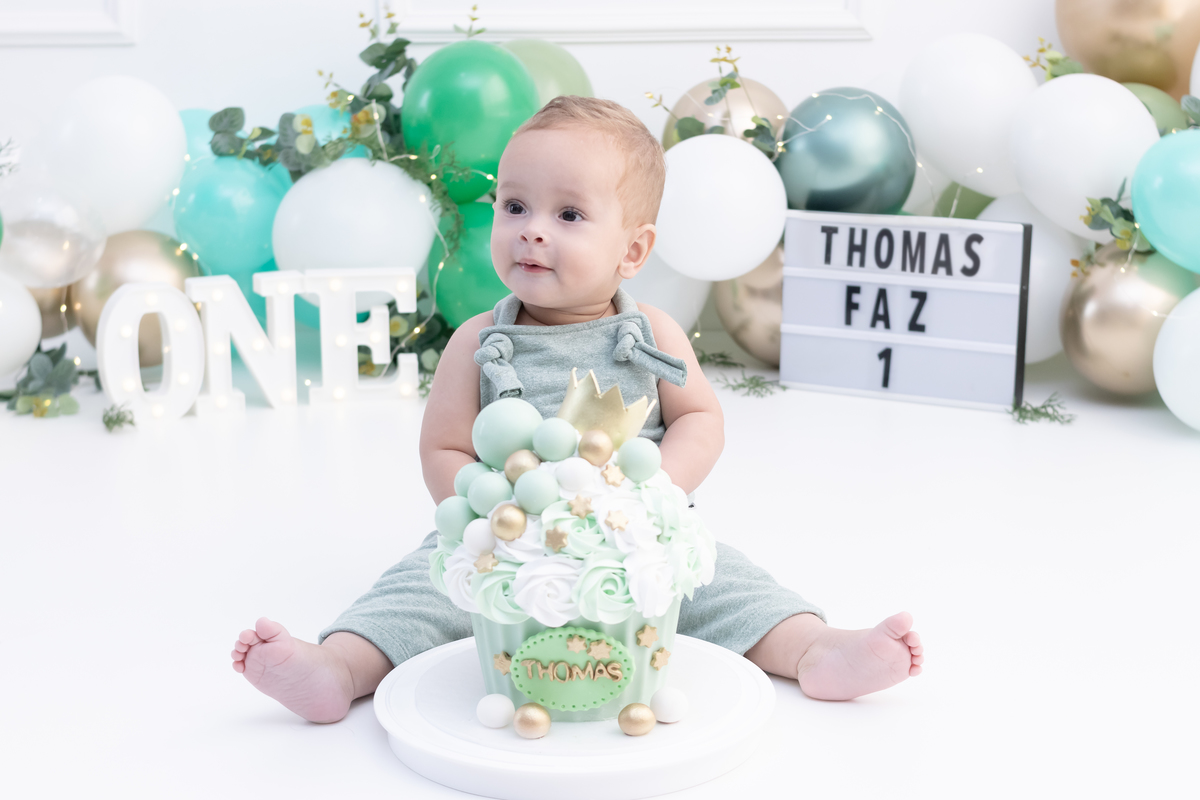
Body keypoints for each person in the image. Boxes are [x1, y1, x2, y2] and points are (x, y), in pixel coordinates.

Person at [230, 96, 924, 723]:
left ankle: (815, 651)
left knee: (724, 581)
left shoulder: (650, 334)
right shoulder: (479, 341)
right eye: (514, 207)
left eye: (568, 215)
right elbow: (442, 448)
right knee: (421, 588)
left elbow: (698, 419)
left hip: (634, 532)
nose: (532, 231)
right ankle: (339, 667)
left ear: (633, 250)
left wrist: (658, 493)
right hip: (502, 535)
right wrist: (481, 514)